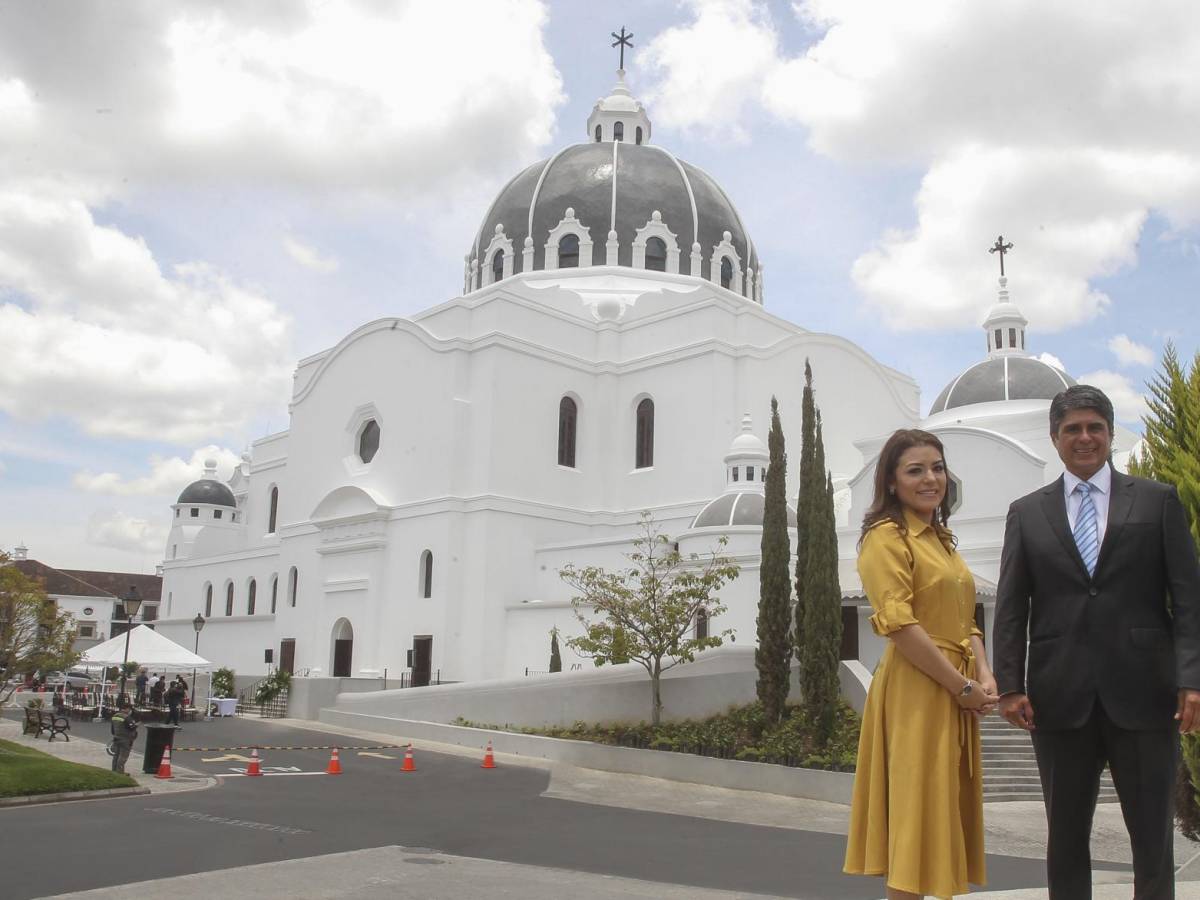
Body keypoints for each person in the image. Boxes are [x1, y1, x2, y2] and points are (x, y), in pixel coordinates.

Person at [994, 384, 1200, 899]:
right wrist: (1009, 686)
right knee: (1065, 838)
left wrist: (1191, 679)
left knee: (1153, 837)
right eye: (1072, 429)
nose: (1084, 438)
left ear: (1109, 435)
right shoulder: (1027, 512)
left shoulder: (1157, 501)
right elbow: (1013, 604)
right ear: (1054, 438)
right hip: (1058, 698)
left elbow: (1189, 599)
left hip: (1145, 695)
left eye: (1095, 428)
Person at [844, 429, 997, 899]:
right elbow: (899, 624)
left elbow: (965, 620)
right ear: (891, 482)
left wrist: (984, 674)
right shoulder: (885, 538)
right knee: (914, 819)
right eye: (915, 470)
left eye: (937, 467)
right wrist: (960, 685)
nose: (931, 478)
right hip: (918, 689)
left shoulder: (942, 540)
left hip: (955, 688)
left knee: (941, 813)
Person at [109, 702, 138, 774]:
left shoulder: (115, 716)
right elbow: (132, 727)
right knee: (123, 756)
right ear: (127, 709)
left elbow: (112, 730)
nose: (130, 711)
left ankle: (114, 771)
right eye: (130, 709)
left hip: (116, 738)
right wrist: (136, 725)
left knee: (116, 755)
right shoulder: (127, 717)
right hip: (126, 739)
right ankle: (120, 772)